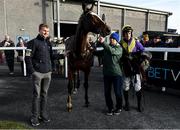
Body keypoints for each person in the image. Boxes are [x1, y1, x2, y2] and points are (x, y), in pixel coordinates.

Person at [25, 24, 53, 126]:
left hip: (47, 73)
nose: (46, 32)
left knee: (44, 95)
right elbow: (27, 58)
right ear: (39, 30)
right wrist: (33, 72)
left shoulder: (48, 43)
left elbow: (52, 57)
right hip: (38, 74)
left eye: (47, 31)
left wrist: (64, 55)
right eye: (44, 30)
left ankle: (43, 114)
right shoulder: (32, 42)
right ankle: (34, 117)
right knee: (36, 95)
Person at [120, 25, 144, 112]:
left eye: (129, 33)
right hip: (126, 67)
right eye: (126, 33)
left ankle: (139, 104)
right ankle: (127, 104)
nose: (128, 34)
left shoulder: (136, 42)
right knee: (125, 86)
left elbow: (142, 50)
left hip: (135, 67)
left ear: (131, 33)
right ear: (123, 34)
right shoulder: (121, 42)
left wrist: (136, 56)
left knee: (137, 87)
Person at [99, 32, 123, 116]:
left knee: (117, 92)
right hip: (107, 74)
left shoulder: (119, 48)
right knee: (107, 92)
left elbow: (111, 51)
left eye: (113, 39)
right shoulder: (107, 47)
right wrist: (90, 49)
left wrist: (103, 42)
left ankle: (119, 107)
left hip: (117, 74)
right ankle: (110, 108)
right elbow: (100, 53)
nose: (111, 40)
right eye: (111, 38)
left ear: (117, 40)